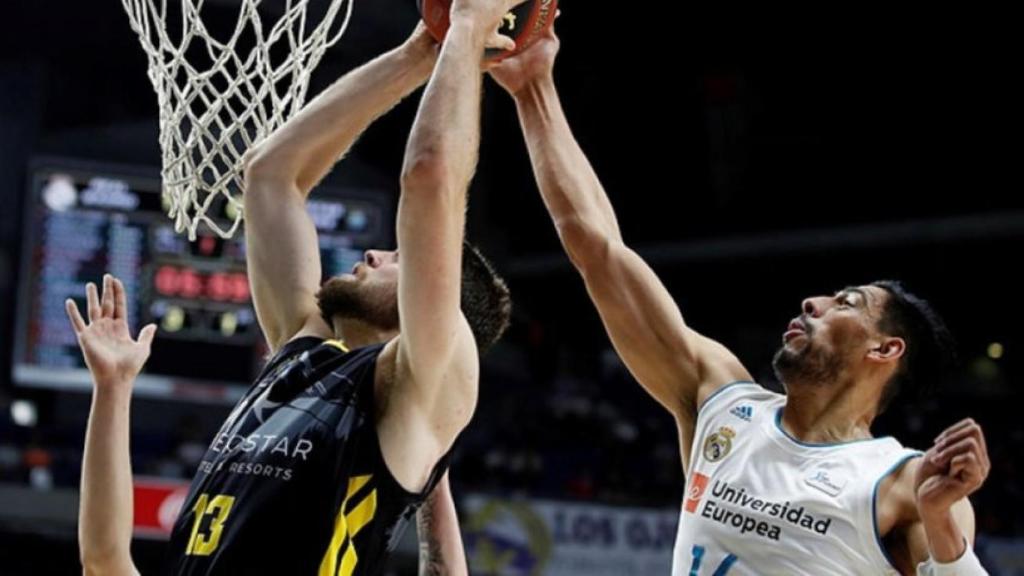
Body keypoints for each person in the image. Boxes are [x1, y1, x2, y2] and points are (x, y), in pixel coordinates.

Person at [487, 20, 991, 575]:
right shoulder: (720, 401)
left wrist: (941, 523)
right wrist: (534, 88)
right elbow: (598, 250)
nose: (813, 304)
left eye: (846, 302)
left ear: (884, 350)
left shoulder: (907, 483)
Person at [71, 1, 519, 572]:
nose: (374, 253)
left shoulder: (417, 388)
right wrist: (417, 55)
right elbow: (270, 176)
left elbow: (430, 176)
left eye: (400, 258)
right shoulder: (302, 357)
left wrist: (468, 25)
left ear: (433, 296)